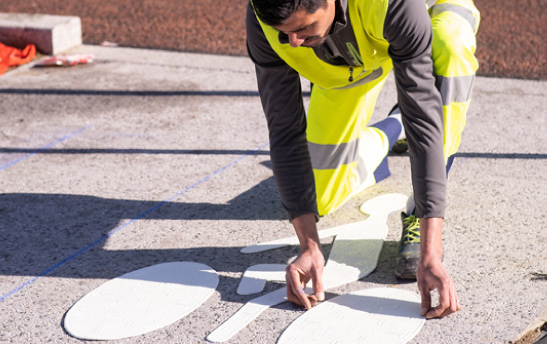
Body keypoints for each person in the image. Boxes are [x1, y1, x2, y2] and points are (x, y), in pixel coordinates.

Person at [246, 0, 479, 319]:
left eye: (303, 29)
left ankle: (416, 212)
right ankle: (395, 126)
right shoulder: (264, 15)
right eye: (284, 33)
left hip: (423, 14)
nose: (295, 43)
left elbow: (423, 117)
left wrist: (431, 252)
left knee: (451, 47)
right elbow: (284, 128)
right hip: (349, 61)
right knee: (317, 199)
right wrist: (309, 245)